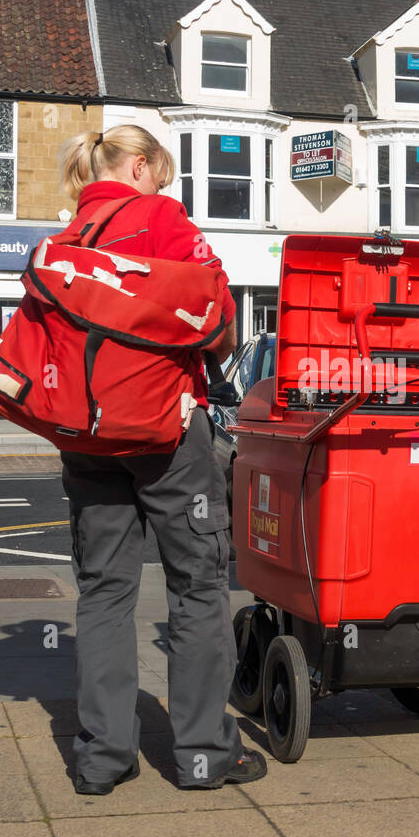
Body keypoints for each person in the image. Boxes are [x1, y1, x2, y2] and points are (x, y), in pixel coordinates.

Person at [56, 125, 265, 794]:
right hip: (166, 430)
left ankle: (102, 757)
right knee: (198, 586)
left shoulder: (66, 237)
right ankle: (204, 752)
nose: (163, 188)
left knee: (104, 591)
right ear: (141, 165)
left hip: (87, 438)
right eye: (161, 175)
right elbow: (220, 316)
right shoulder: (159, 216)